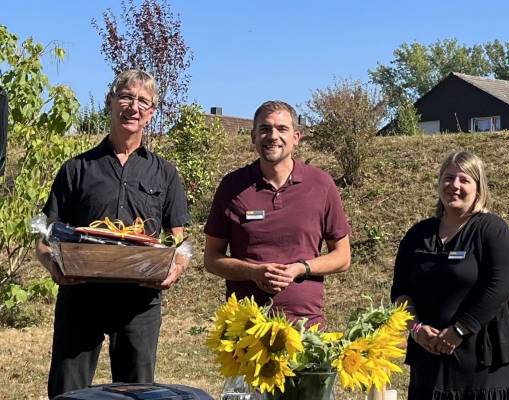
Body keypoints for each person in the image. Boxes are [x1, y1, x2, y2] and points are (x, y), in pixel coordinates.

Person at [35, 69, 190, 398]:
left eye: (143, 102)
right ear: (110, 102)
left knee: (139, 391)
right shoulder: (76, 169)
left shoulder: (165, 173)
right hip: (81, 294)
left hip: (140, 300)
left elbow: (180, 241)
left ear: (151, 114)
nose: (133, 107)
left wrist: (173, 270)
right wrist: (53, 266)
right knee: (68, 389)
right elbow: (44, 238)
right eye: (126, 97)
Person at [391, 151, 509, 399]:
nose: (454, 185)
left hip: (484, 366)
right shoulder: (418, 235)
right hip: (429, 361)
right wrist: (416, 329)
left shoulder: (493, 231)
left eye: (464, 180)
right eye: (448, 178)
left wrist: (461, 329)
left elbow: (501, 286)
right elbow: (400, 292)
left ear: (478, 188)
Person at [204, 100, 351, 326]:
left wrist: (300, 269)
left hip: (307, 329)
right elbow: (212, 259)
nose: (273, 136)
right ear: (253, 136)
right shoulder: (232, 186)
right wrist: (253, 272)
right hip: (246, 328)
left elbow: (342, 257)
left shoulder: (321, 184)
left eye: (282, 129)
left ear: (296, 137)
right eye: (265, 129)